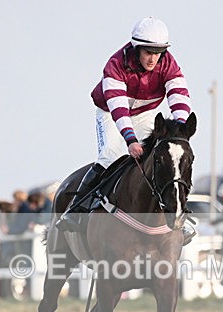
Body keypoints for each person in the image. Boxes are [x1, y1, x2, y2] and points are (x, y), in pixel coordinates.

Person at [58, 17, 192, 232]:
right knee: (110, 155)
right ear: (136, 49)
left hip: (145, 113)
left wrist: (180, 127)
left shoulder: (168, 64)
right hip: (111, 112)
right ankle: (75, 209)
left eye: (157, 53)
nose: (152, 59)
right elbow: (119, 108)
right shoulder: (116, 64)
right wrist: (130, 140)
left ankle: (175, 214)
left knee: (163, 157)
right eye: (148, 52)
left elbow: (179, 94)